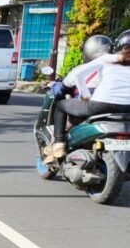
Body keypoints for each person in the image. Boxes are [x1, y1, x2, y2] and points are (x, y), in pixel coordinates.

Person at [45, 31, 130, 162]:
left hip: (100, 105)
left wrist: (85, 95)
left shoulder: (106, 59)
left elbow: (76, 77)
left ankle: (58, 144)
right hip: (127, 109)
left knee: (61, 106)